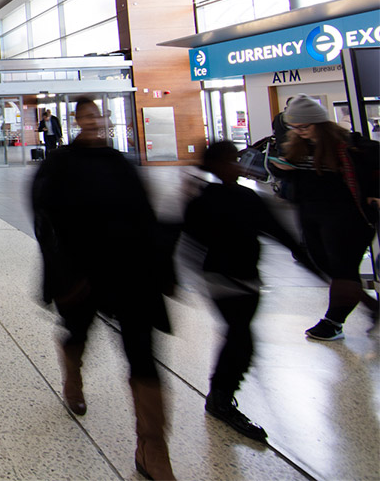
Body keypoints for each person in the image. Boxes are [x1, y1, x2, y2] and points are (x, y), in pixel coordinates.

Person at [31, 96, 175, 480]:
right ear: (76, 120)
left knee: (142, 354)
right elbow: (44, 222)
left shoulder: (120, 165)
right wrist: (61, 275)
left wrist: (162, 268)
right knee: (79, 331)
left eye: (98, 115)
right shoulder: (60, 165)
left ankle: (152, 447)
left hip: (131, 275)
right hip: (82, 275)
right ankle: (71, 368)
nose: (94, 122)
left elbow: (147, 218)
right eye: (87, 116)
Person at [184, 141, 301, 441]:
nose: (237, 166)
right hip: (223, 280)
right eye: (230, 161)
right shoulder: (205, 199)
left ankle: (221, 393)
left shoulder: (243, 197)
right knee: (241, 338)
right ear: (215, 166)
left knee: (241, 336)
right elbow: (186, 236)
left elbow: (276, 229)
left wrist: (309, 259)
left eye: (236, 160)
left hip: (248, 279)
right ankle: (220, 397)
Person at [269, 95, 379, 341]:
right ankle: (372, 308)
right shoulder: (297, 145)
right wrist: (280, 168)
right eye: (295, 127)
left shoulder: (350, 145)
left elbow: (374, 166)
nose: (299, 131)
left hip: (348, 218)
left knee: (343, 270)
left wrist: (374, 193)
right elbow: (283, 173)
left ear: (319, 122)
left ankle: (333, 322)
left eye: (304, 126)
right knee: (326, 265)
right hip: (312, 215)